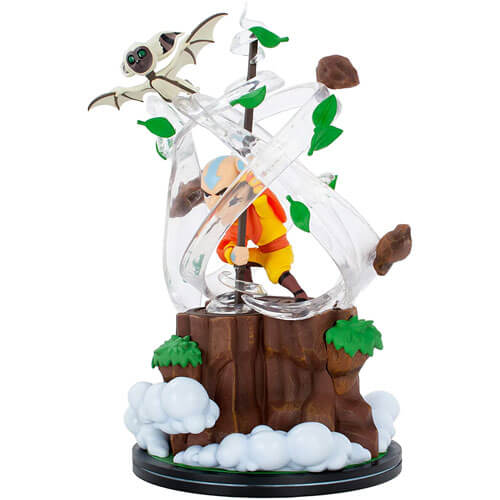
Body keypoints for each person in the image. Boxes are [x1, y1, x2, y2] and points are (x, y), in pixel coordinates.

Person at [201, 155, 308, 301]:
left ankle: (300, 295)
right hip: (260, 253)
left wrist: (253, 189)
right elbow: (229, 242)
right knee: (241, 263)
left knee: (277, 272)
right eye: (207, 195)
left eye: (222, 193)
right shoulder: (235, 218)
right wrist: (233, 254)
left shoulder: (260, 201)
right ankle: (247, 295)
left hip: (277, 250)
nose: (214, 202)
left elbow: (266, 210)